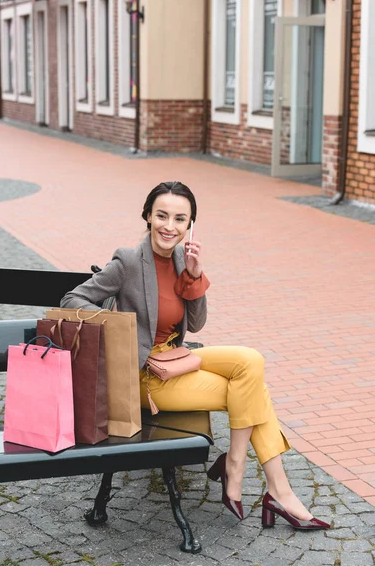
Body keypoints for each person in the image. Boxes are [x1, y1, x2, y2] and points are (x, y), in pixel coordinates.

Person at [61, 181, 330, 531]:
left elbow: (197, 324)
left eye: (179, 218)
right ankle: (276, 491)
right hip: (144, 376)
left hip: (175, 358)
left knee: (251, 362)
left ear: (190, 225)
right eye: (161, 215)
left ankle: (236, 464)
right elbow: (71, 300)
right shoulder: (128, 261)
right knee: (252, 394)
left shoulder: (180, 259)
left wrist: (194, 273)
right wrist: (120, 329)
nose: (168, 226)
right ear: (147, 216)